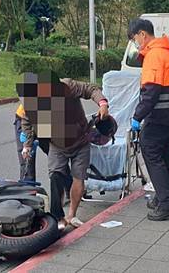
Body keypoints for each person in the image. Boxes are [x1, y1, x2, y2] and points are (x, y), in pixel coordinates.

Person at [17, 71, 109, 229]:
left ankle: (72, 215)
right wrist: (27, 144)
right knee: (55, 176)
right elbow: (26, 121)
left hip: (80, 140)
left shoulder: (68, 86)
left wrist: (102, 103)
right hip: (57, 144)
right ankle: (57, 218)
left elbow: (91, 89)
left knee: (78, 178)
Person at [128, 18, 169, 221]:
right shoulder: (168, 52)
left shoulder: (154, 55)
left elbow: (151, 92)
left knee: (151, 153)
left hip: (159, 116)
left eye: (135, 39)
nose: (136, 43)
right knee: (165, 155)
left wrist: (137, 116)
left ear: (142, 34)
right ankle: (165, 198)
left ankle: (168, 203)